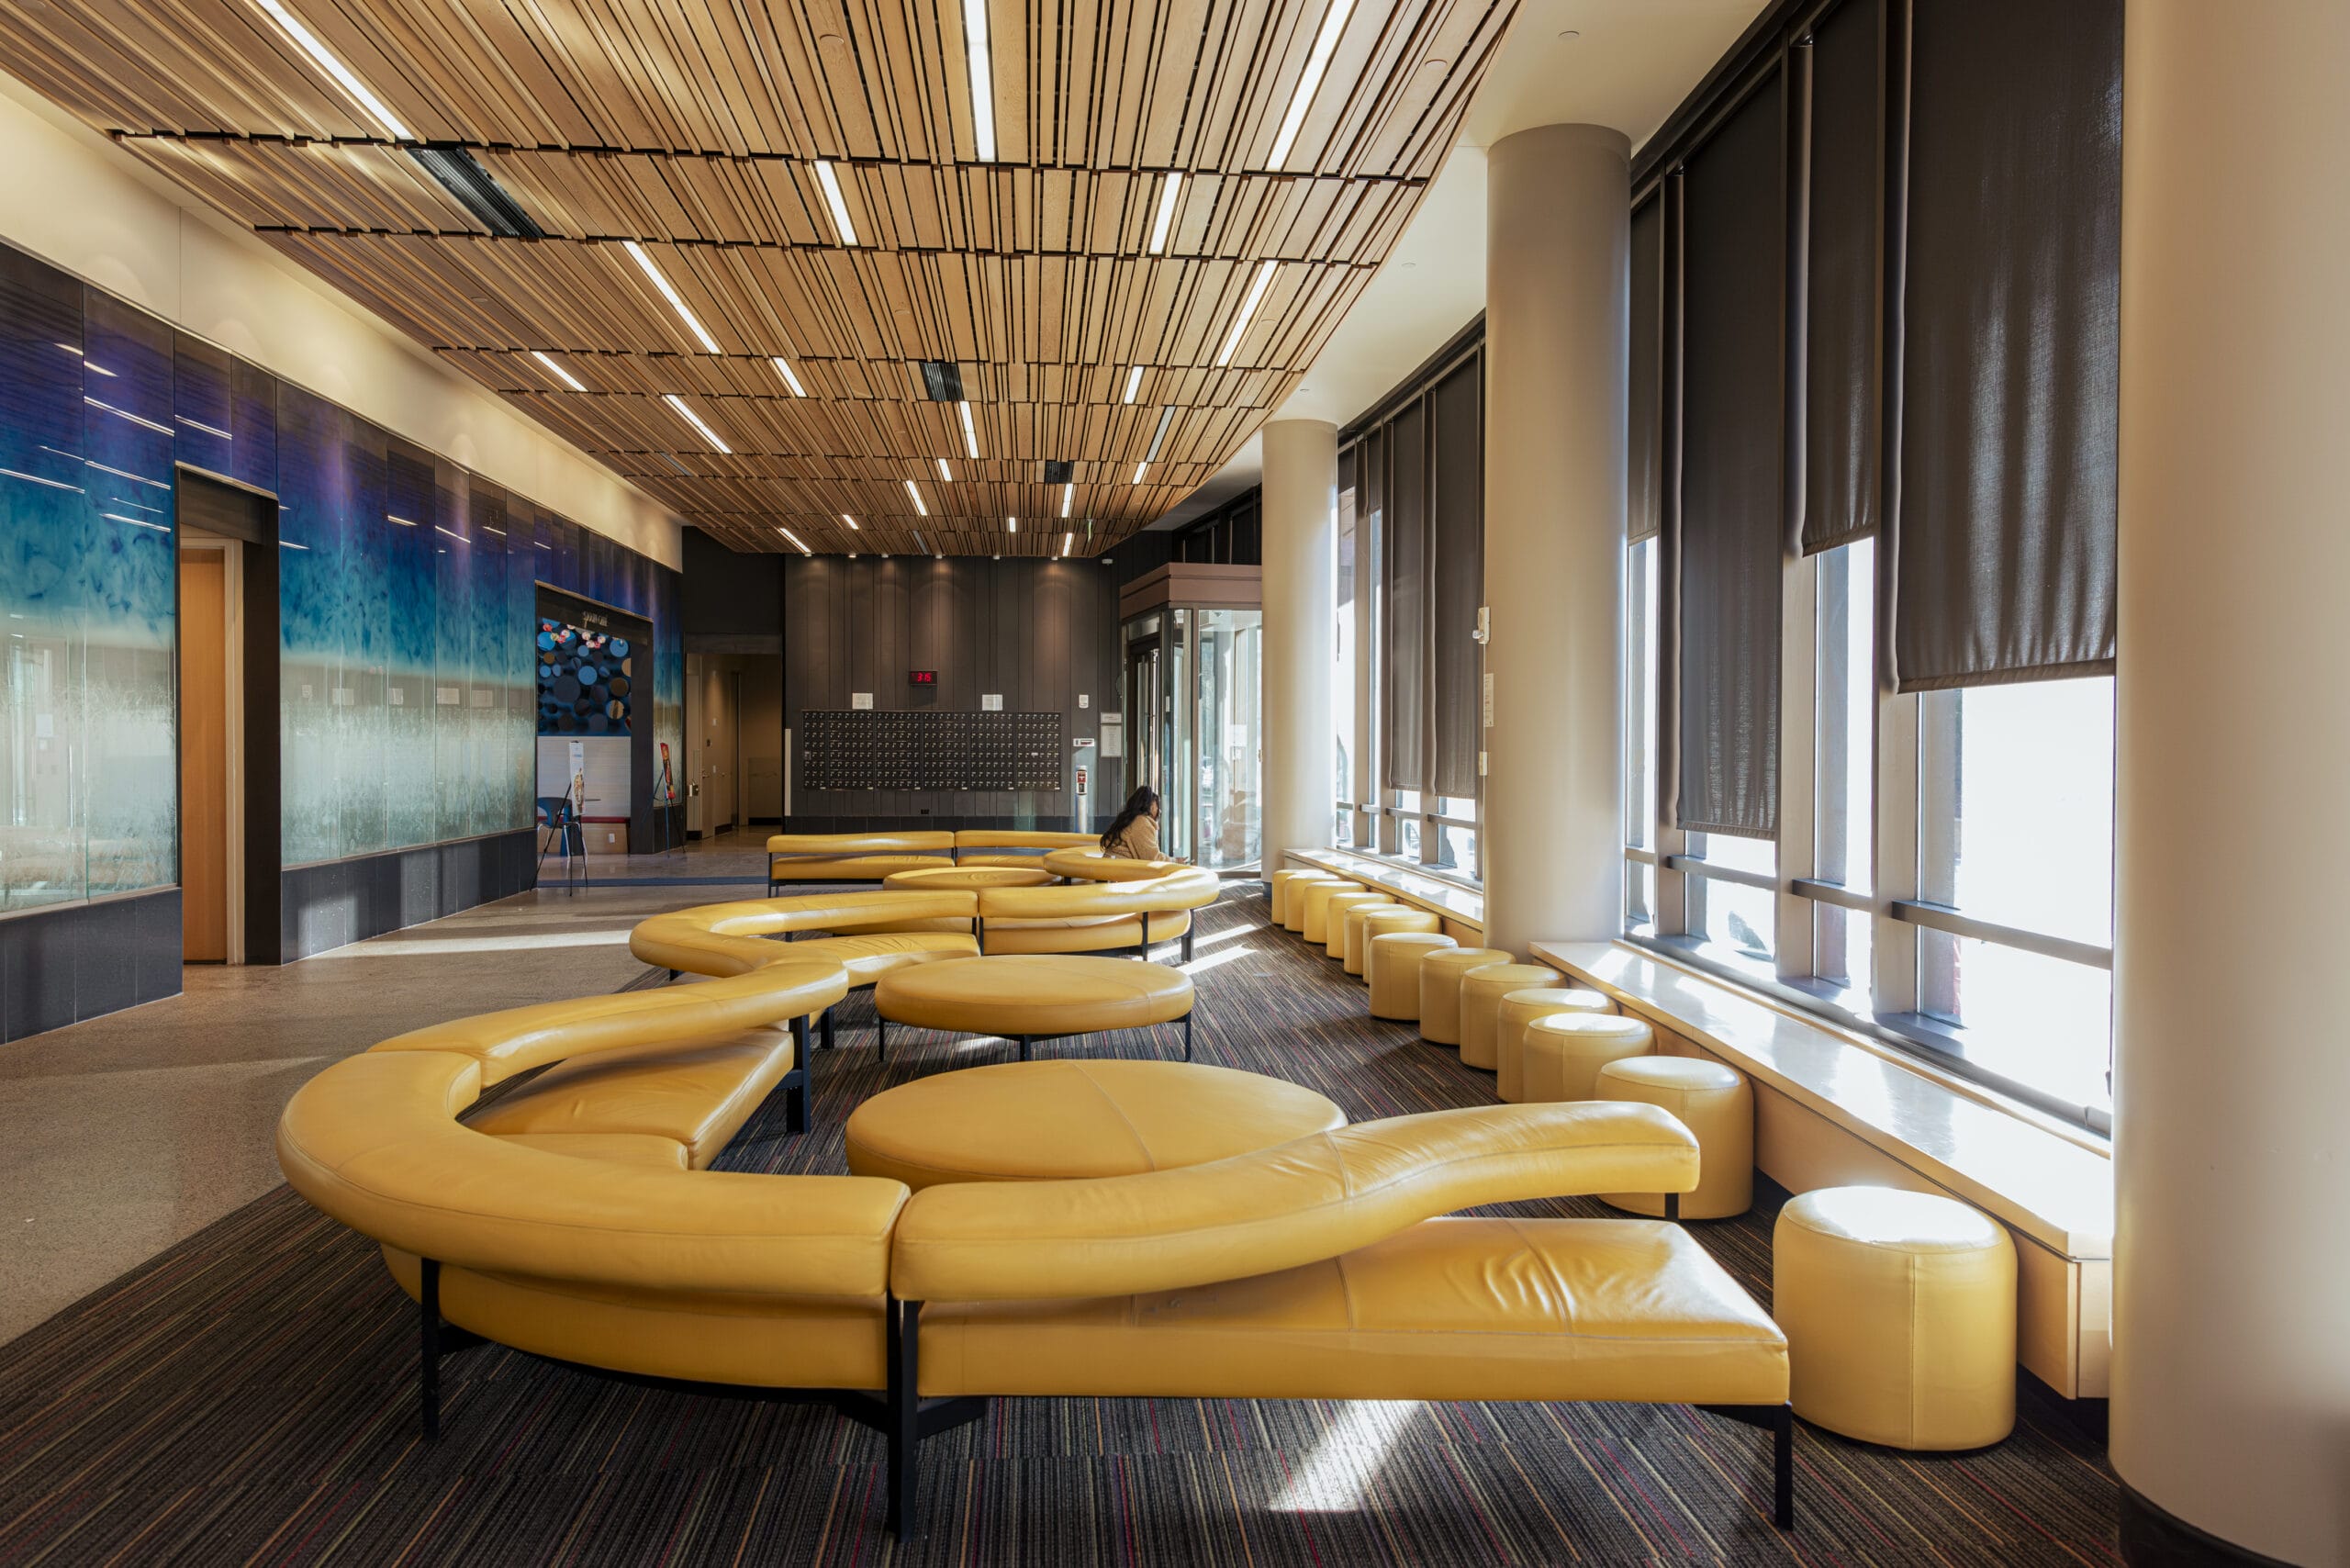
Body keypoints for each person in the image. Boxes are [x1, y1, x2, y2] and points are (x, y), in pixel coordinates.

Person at [1099, 785, 1168, 861]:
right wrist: (1175, 861)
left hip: (1113, 867)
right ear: (1150, 807)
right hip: (1120, 870)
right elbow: (1153, 859)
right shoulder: (1141, 823)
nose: (1159, 811)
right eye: (1157, 806)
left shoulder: (1129, 819)